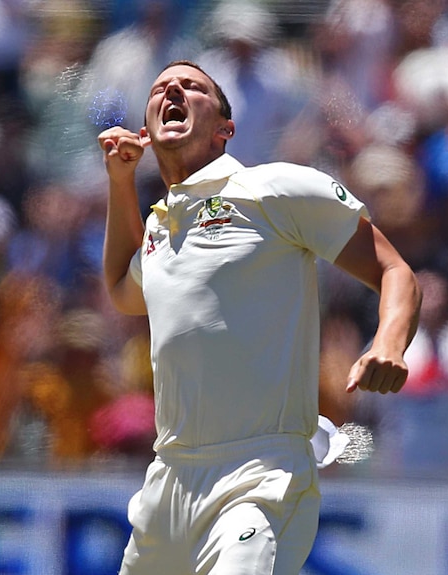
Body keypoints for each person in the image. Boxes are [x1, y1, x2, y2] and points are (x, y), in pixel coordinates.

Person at [97, 60, 421, 575]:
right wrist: (120, 180)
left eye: (193, 87)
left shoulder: (274, 189)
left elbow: (394, 270)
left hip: (259, 475)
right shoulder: (161, 229)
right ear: (147, 131)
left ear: (226, 129)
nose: (173, 89)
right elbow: (120, 290)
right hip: (168, 482)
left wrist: (389, 341)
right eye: (159, 88)